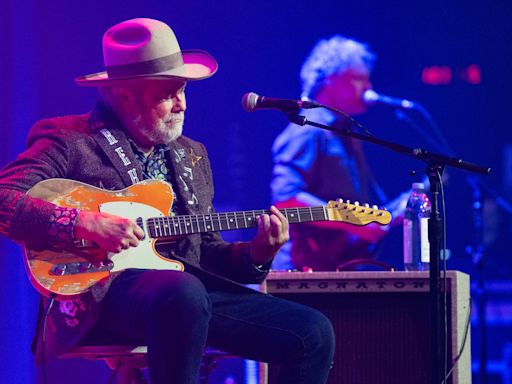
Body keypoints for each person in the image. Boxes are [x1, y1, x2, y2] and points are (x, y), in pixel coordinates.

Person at [0, 18, 335, 383]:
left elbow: (206, 253)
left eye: (183, 91)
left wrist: (257, 253)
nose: (181, 104)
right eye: (167, 94)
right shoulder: (70, 139)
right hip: (103, 295)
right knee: (182, 293)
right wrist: (85, 224)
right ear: (124, 94)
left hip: (186, 294)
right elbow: (5, 199)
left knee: (312, 332)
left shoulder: (193, 155)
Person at [271, 35, 407, 272]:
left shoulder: (342, 130)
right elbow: (285, 199)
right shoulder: (308, 129)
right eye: (358, 79)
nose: (368, 88)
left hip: (335, 266)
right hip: (301, 272)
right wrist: (354, 222)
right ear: (331, 80)